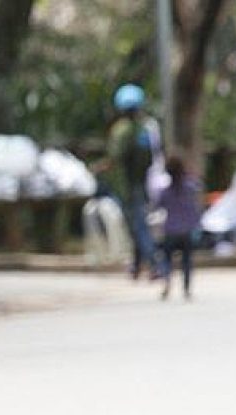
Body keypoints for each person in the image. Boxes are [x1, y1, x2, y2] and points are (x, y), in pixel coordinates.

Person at [98, 83, 163, 280]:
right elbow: (151, 158)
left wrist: (100, 168)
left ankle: (153, 264)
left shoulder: (121, 130)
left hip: (126, 185)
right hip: (141, 182)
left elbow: (115, 158)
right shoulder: (144, 128)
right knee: (136, 223)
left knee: (138, 225)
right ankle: (136, 267)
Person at [154, 155, 202, 300]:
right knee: (187, 260)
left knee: (167, 258)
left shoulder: (165, 191)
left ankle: (167, 281)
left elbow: (158, 205)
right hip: (187, 230)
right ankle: (186, 288)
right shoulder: (190, 187)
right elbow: (198, 188)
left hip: (171, 230)